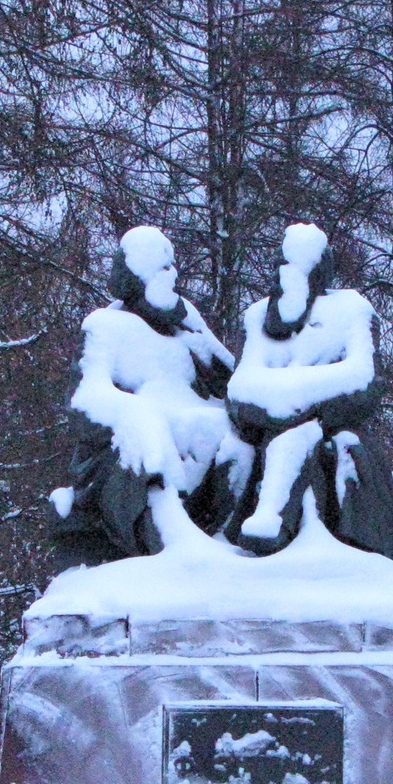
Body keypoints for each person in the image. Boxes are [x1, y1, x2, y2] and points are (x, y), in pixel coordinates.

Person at [50, 226, 252, 564]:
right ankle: (173, 546)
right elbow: (83, 401)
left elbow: (234, 383)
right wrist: (136, 415)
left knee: (239, 442)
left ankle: (227, 547)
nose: (173, 275)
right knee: (147, 435)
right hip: (132, 452)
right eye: (163, 267)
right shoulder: (105, 326)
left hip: (197, 441)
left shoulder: (183, 321)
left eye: (173, 266)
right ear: (138, 275)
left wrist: (192, 331)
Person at [223, 223, 393, 559]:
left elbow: (363, 382)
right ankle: (269, 518)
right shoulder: (256, 318)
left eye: (301, 268)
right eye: (285, 267)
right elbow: (240, 389)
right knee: (288, 436)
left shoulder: (353, 310)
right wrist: (288, 407)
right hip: (265, 434)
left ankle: (272, 517)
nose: (290, 276)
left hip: (331, 431)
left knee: (302, 435)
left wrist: (297, 404)